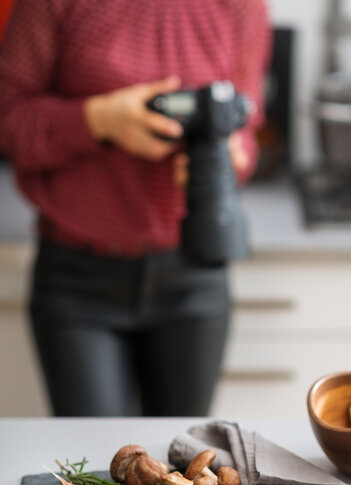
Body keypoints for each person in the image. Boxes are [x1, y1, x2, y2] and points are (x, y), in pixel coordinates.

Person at [0, 0, 270, 417]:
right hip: (78, 282)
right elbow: (9, 121)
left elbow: (247, 124)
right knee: (96, 472)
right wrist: (99, 119)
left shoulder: (242, 5)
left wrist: (233, 155)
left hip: (194, 274)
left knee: (180, 463)